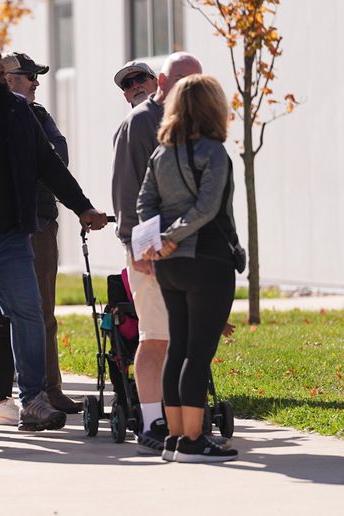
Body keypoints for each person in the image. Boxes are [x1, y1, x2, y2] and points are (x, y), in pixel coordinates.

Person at [0, 33, 108, 438]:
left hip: (14, 234)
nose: (2, 67)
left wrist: (81, 206)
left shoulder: (17, 109)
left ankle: (33, 400)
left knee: (30, 314)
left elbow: (48, 164)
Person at [137, 74, 241, 463]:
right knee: (198, 353)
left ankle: (175, 439)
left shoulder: (161, 152)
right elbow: (208, 207)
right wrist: (174, 236)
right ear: (214, 107)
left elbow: (144, 202)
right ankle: (194, 440)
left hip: (169, 266)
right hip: (208, 259)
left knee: (178, 348)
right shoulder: (213, 151)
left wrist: (156, 241)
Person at [0, 51, 79, 426]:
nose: (36, 82)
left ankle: (48, 390)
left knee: (41, 312)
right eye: (28, 75)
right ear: (6, 78)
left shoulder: (38, 116)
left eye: (36, 76)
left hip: (39, 223)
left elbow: (58, 156)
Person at [111, 52, 202, 455]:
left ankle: (188, 424)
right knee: (156, 339)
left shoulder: (198, 119)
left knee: (186, 340)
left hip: (193, 250)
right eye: (183, 80)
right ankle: (152, 422)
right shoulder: (140, 122)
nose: (192, 88)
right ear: (163, 82)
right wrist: (139, 246)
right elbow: (128, 192)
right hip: (154, 250)